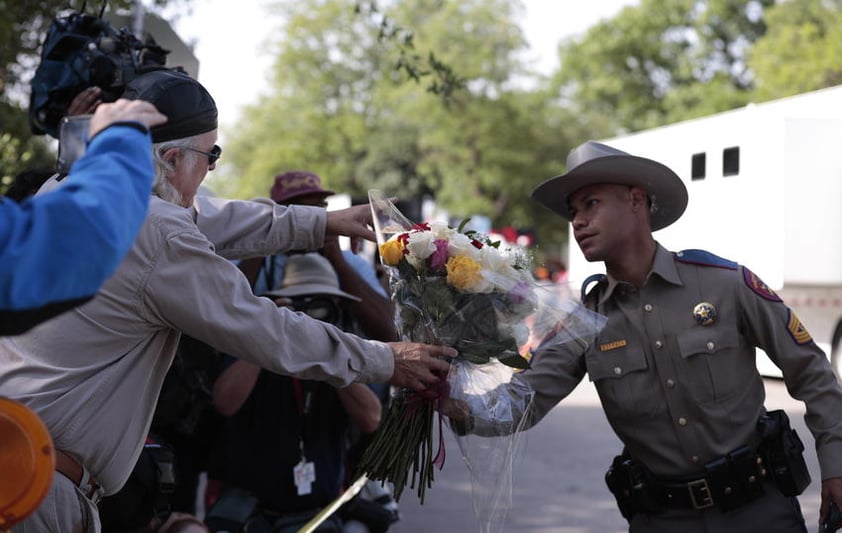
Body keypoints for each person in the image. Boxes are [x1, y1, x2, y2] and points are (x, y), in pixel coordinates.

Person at [0, 69, 454, 533]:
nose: (212, 169)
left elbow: (213, 217)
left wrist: (324, 223)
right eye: (211, 155)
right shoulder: (157, 231)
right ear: (174, 158)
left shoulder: (66, 194)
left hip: (21, 467)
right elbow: (262, 326)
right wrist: (384, 359)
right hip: (39, 489)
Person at [445, 140, 842, 532]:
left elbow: (812, 372)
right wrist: (451, 399)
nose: (577, 221)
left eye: (591, 204)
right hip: (663, 519)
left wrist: (836, 468)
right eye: (573, 212)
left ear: (636, 200)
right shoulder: (586, 321)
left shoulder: (725, 284)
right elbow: (522, 401)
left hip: (759, 512)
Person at [208, 253, 385, 532]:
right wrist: (268, 335)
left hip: (320, 512)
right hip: (253, 511)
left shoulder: (343, 352)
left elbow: (371, 419)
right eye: (302, 303)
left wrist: (330, 350)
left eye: (321, 304)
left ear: (337, 307)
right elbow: (225, 403)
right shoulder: (257, 345)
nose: (310, 317)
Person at [0, 98, 167, 334]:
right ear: (171, 157)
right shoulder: (164, 225)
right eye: (211, 154)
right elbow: (71, 245)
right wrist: (119, 137)